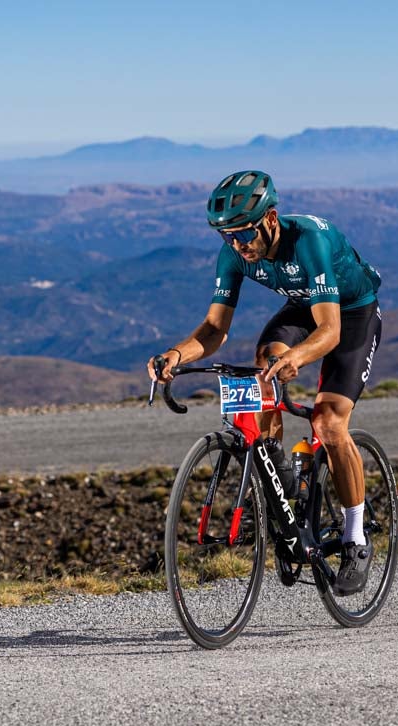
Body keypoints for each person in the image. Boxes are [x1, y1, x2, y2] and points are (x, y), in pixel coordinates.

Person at [147, 170, 383, 596]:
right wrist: (175, 356)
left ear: (270, 218)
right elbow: (214, 331)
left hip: (350, 314)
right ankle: (275, 467)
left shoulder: (308, 241)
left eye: (242, 234)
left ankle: (355, 538)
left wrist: (299, 356)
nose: (237, 245)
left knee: (329, 424)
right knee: (264, 363)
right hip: (303, 306)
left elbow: (328, 332)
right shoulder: (234, 254)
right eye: (227, 237)